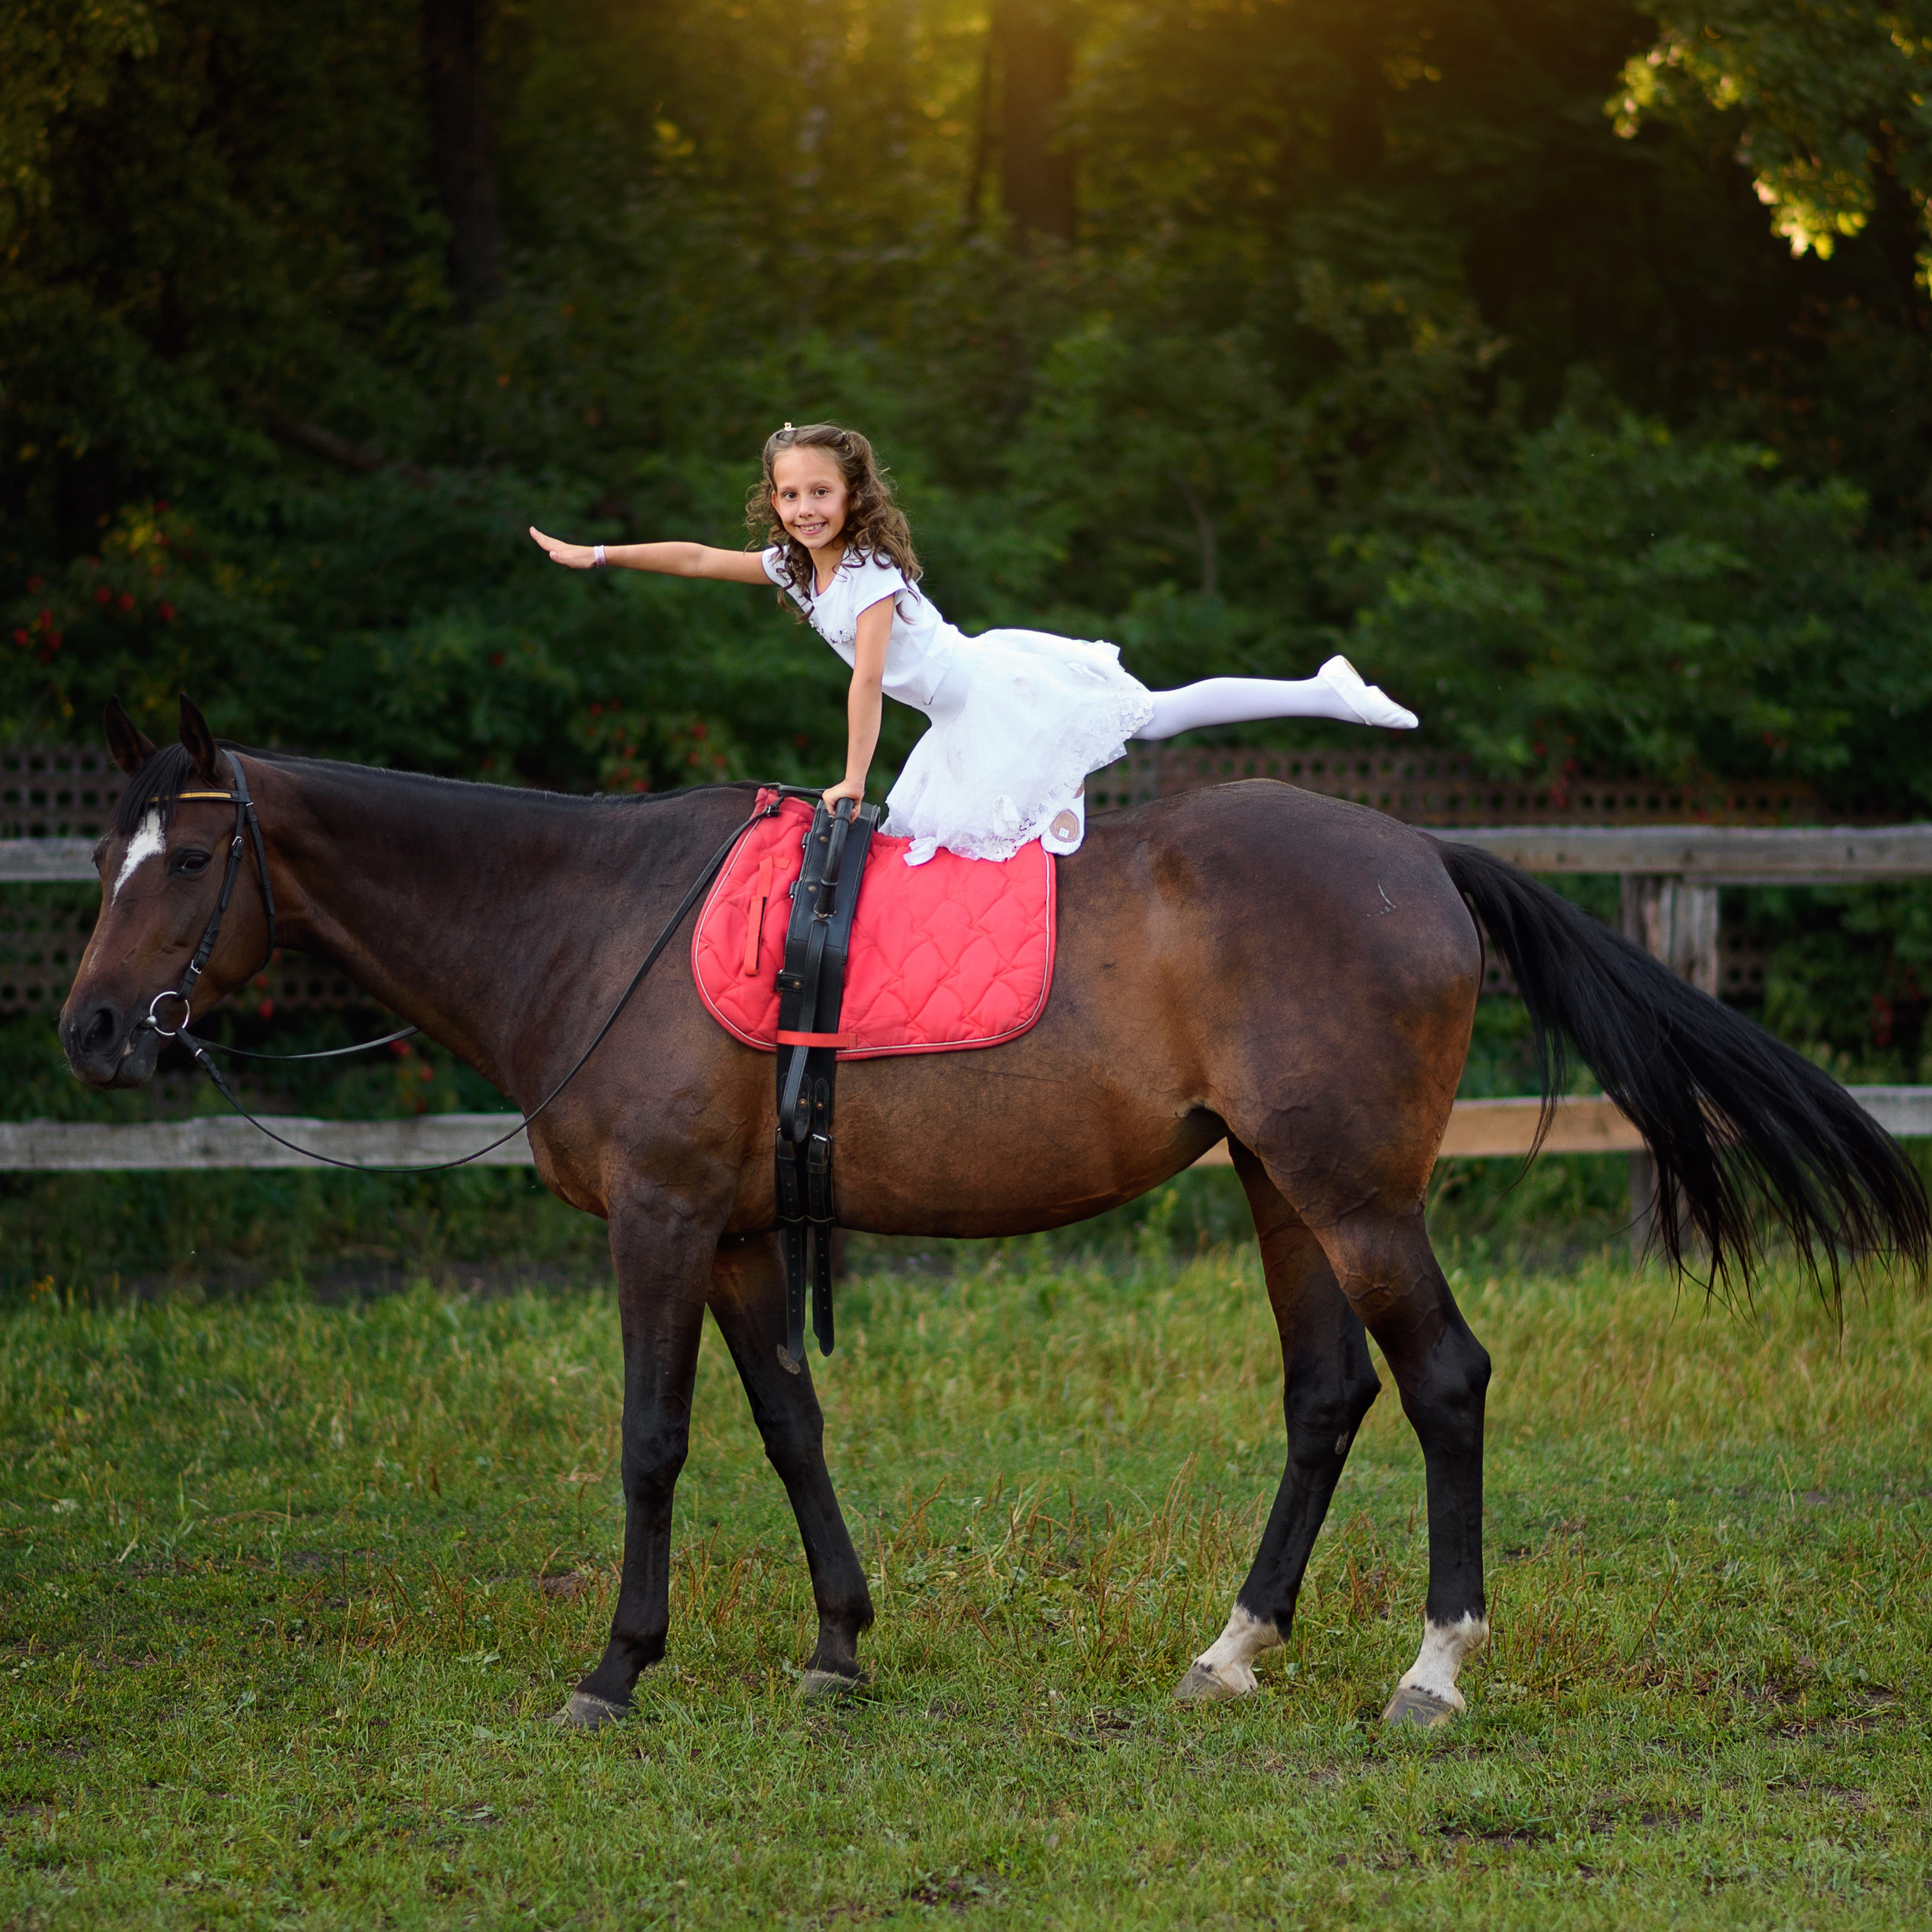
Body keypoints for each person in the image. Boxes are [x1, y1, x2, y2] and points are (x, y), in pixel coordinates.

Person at [529, 421, 1417, 865]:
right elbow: (691, 556)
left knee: (1149, 718)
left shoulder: (870, 572)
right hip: (953, 714)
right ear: (776, 499)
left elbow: (868, 685)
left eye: (819, 494)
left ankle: (1320, 688)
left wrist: (851, 779)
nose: (804, 508)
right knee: (935, 852)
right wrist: (597, 553)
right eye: (789, 495)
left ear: (852, 496)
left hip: (984, 693)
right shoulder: (799, 567)